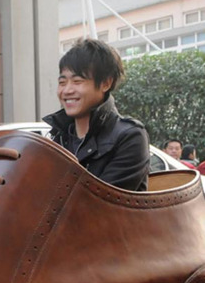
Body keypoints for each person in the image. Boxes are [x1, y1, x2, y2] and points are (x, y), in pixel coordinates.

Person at [43, 38, 150, 192]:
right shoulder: (57, 138)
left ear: (106, 83)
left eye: (77, 81)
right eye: (62, 82)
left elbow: (98, 203)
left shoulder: (130, 136)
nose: (67, 90)